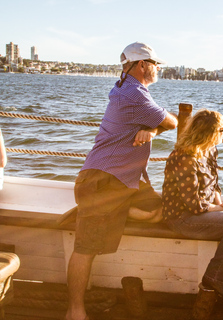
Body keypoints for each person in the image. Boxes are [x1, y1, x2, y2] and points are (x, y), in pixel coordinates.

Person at [65, 42, 178, 320]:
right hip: (102, 180)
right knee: (85, 249)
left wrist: (149, 129)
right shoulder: (134, 95)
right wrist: (154, 126)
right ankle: (74, 312)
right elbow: (174, 122)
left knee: (157, 211)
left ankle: (110, 210)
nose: (158, 68)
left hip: (122, 182)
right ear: (142, 65)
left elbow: (158, 122)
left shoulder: (128, 88)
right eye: (155, 64)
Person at [162, 109, 223, 299]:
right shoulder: (185, 158)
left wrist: (220, 204)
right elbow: (193, 204)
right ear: (210, 134)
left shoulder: (209, 150)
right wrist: (217, 209)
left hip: (202, 210)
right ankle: (215, 278)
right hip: (182, 217)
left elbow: (214, 182)